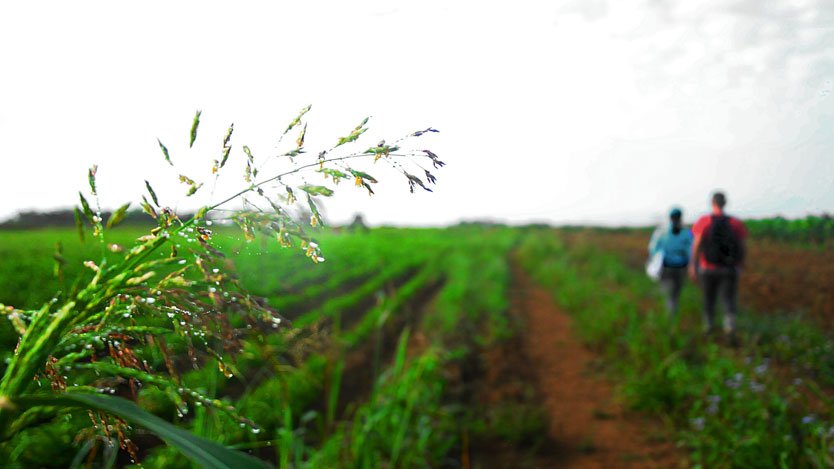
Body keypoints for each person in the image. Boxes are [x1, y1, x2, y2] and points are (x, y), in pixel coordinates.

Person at [689, 191, 748, 343]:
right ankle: (729, 327)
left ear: (712, 203)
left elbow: (697, 245)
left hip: (707, 268)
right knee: (728, 299)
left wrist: (693, 265)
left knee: (708, 299)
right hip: (729, 268)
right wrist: (740, 264)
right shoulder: (735, 223)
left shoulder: (704, 221)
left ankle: (708, 327)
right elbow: (742, 246)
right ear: (725, 203)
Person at [648, 207, 693, 317]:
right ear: (680, 217)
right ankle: (671, 312)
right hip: (680, 267)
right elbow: (691, 250)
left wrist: (656, 258)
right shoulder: (686, 232)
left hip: (665, 267)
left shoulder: (661, 231)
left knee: (666, 291)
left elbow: (653, 248)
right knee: (675, 293)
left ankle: (666, 313)